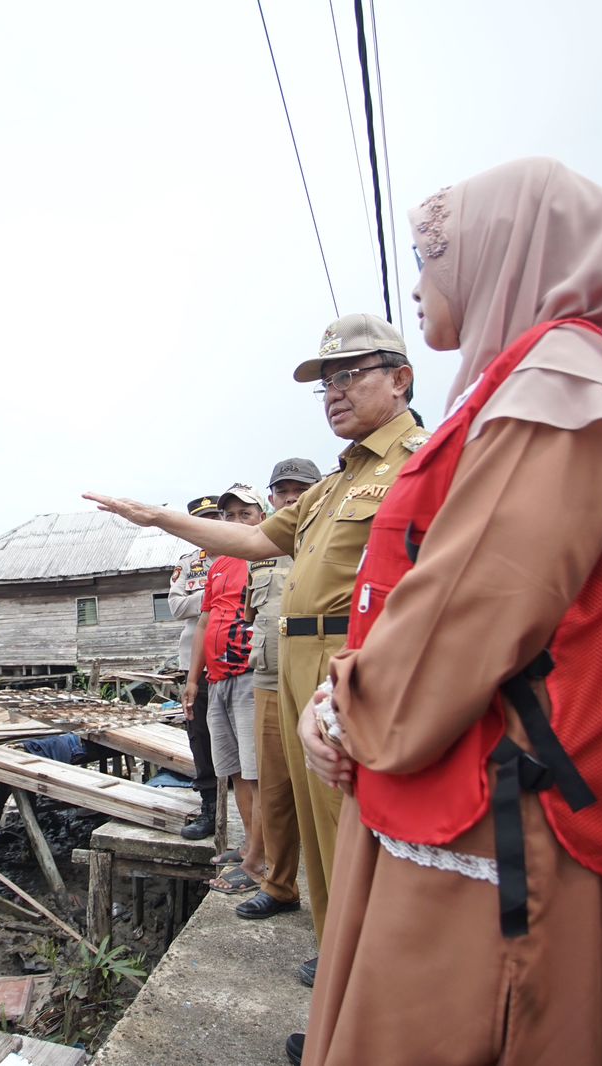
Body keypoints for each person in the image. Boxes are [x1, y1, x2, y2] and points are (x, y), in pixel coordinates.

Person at [298, 158, 602, 1066]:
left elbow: (477, 604)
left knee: (466, 1024)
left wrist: (347, 707)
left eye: (431, 258)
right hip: (490, 771)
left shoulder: (559, 379)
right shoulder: (530, 379)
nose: (417, 286)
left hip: (510, 801)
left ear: (504, 251)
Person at [86, 311, 427, 968]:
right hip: (291, 662)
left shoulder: (423, 463)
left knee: (357, 825)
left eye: (350, 376)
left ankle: (369, 979)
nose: (334, 392)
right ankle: (337, 962)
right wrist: (159, 518)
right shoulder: (334, 486)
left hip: (351, 662)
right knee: (313, 816)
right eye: (324, 382)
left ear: (400, 379)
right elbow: (254, 539)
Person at [235, 458, 322, 920]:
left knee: (327, 794)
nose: (291, 498)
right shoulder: (263, 549)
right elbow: (253, 616)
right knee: (275, 788)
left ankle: (338, 910)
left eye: (300, 489)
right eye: (283, 491)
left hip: (319, 678)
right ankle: (279, 885)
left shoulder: (328, 539)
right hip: (268, 677)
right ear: (272, 499)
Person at [188, 485, 268, 891]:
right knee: (234, 771)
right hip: (216, 678)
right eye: (229, 516)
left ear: (262, 518)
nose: (235, 522)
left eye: (245, 514)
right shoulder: (217, 564)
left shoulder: (267, 554)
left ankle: (260, 857)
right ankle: (247, 843)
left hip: (249, 673)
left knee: (256, 772)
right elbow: (204, 621)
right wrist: (191, 680)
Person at [170, 496, 224, 840]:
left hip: (238, 660)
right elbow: (176, 607)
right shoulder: (190, 564)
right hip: (196, 665)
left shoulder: (250, 553)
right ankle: (210, 808)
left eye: (213, 518)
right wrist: (217, 595)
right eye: (199, 520)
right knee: (200, 736)